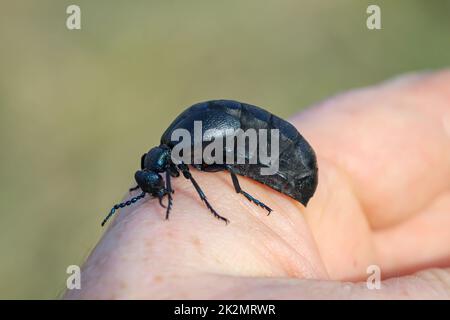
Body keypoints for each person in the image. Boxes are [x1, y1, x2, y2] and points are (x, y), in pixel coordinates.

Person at [65, 70, 450, 299]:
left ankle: (243, 193)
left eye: (155, 182)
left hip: (266, 144)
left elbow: (221, 165)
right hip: (244, 135)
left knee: (224, 163)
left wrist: (226, 201)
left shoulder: (180, 153)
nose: (159, 189)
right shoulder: (175, 154)